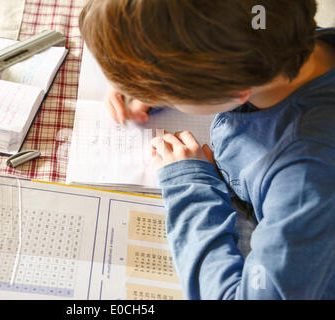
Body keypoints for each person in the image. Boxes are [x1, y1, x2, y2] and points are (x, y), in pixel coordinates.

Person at [79, 0, 335, 299]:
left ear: (236, 91)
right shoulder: (271, 30)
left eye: (169, 96)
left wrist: (190, 187)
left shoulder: (305, 177)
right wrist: (149, 75)